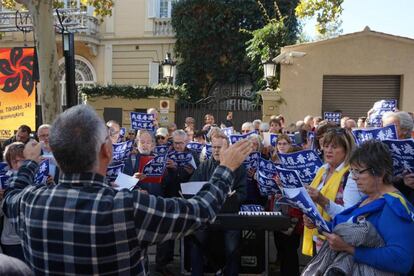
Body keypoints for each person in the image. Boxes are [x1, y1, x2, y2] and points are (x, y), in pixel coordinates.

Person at [2, 104, 253, 275]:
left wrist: (29, 163)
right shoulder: (126, 207)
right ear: (107, 151)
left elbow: (11, 195)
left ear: (54, 153)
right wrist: (226, 168)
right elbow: (200, 210)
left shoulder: (31, 203)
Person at [303, 140, 414, 275]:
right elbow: (347, 228)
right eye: (352, 171)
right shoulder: (370, 198)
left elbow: (401, 260)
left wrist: (349, 249)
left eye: (359, 172)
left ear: (380, 173)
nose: (354, 178)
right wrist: (319, 224)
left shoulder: (394, 206)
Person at [189, 133, 247, 276]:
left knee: (232, 248)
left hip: (229, 215)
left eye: (219, 147)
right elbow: (191, 187)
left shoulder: (239, 167)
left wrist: (232, 197)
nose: (215, 150)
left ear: (227, 149)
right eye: (213, 147)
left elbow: (243, 193)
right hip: (206, 215)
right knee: (196, 243)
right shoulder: (204, 166)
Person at [302, 128, 363, 256]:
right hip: (318, 239)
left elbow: (350, 216)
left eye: (335, 147)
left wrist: (322, 200)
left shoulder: (351, 174)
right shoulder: (323, 169)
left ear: (346, 150)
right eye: (326, 145)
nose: (329, 150)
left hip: (339, 243)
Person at [157, 129, 200, 274]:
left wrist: (183, 171)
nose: (178, 146)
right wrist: (171, 169)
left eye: (181, 143)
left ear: (187, 142)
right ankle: (163, 264)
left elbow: (198, 175)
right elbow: (162, 180)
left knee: (188, 234)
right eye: (175, 143)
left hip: (187, 199)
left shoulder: (193, 154)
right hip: (169, 197)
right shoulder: (166, 153)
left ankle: (188, 264)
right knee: (166, 233)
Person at [1, 142, 26, 262]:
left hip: (33, 238)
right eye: (15, 161)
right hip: (12, 240)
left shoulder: (38, 175)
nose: (19, 165)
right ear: (9, 163)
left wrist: (49, 185)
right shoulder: (4, 179)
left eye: (22, 160)